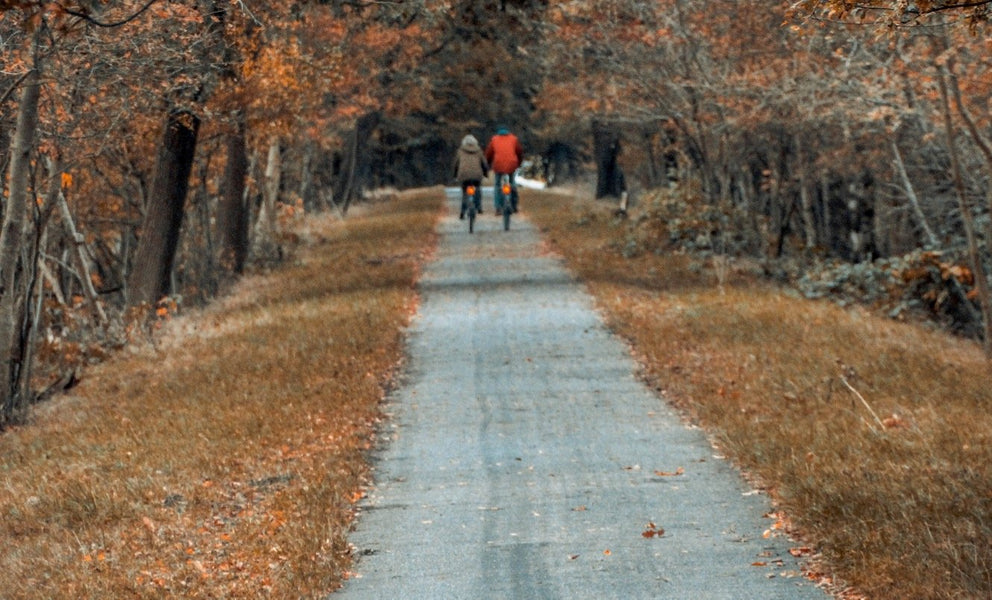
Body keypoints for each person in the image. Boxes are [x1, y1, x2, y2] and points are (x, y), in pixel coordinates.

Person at [484, 126, 523, 214]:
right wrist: (519, 163)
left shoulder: (494, 139)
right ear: (508, 131)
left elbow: (489, 153)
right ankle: (514, 205)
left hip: (498, 165)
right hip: (511, 164)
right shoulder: (514, 139)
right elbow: (519, 152)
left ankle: (498, 207)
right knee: (512, 182)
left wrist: (488, 163)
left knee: (498, 185)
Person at [452, 134, 489, 220]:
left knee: (465, 193)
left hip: (463, 175)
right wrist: (486, 174)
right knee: (478, 188)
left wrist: (455, 175)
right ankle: (479, 207)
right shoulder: (479, 151)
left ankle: (462, 211)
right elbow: (484, 164)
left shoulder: (460, 151)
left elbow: (456, 164)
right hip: (476, 175)